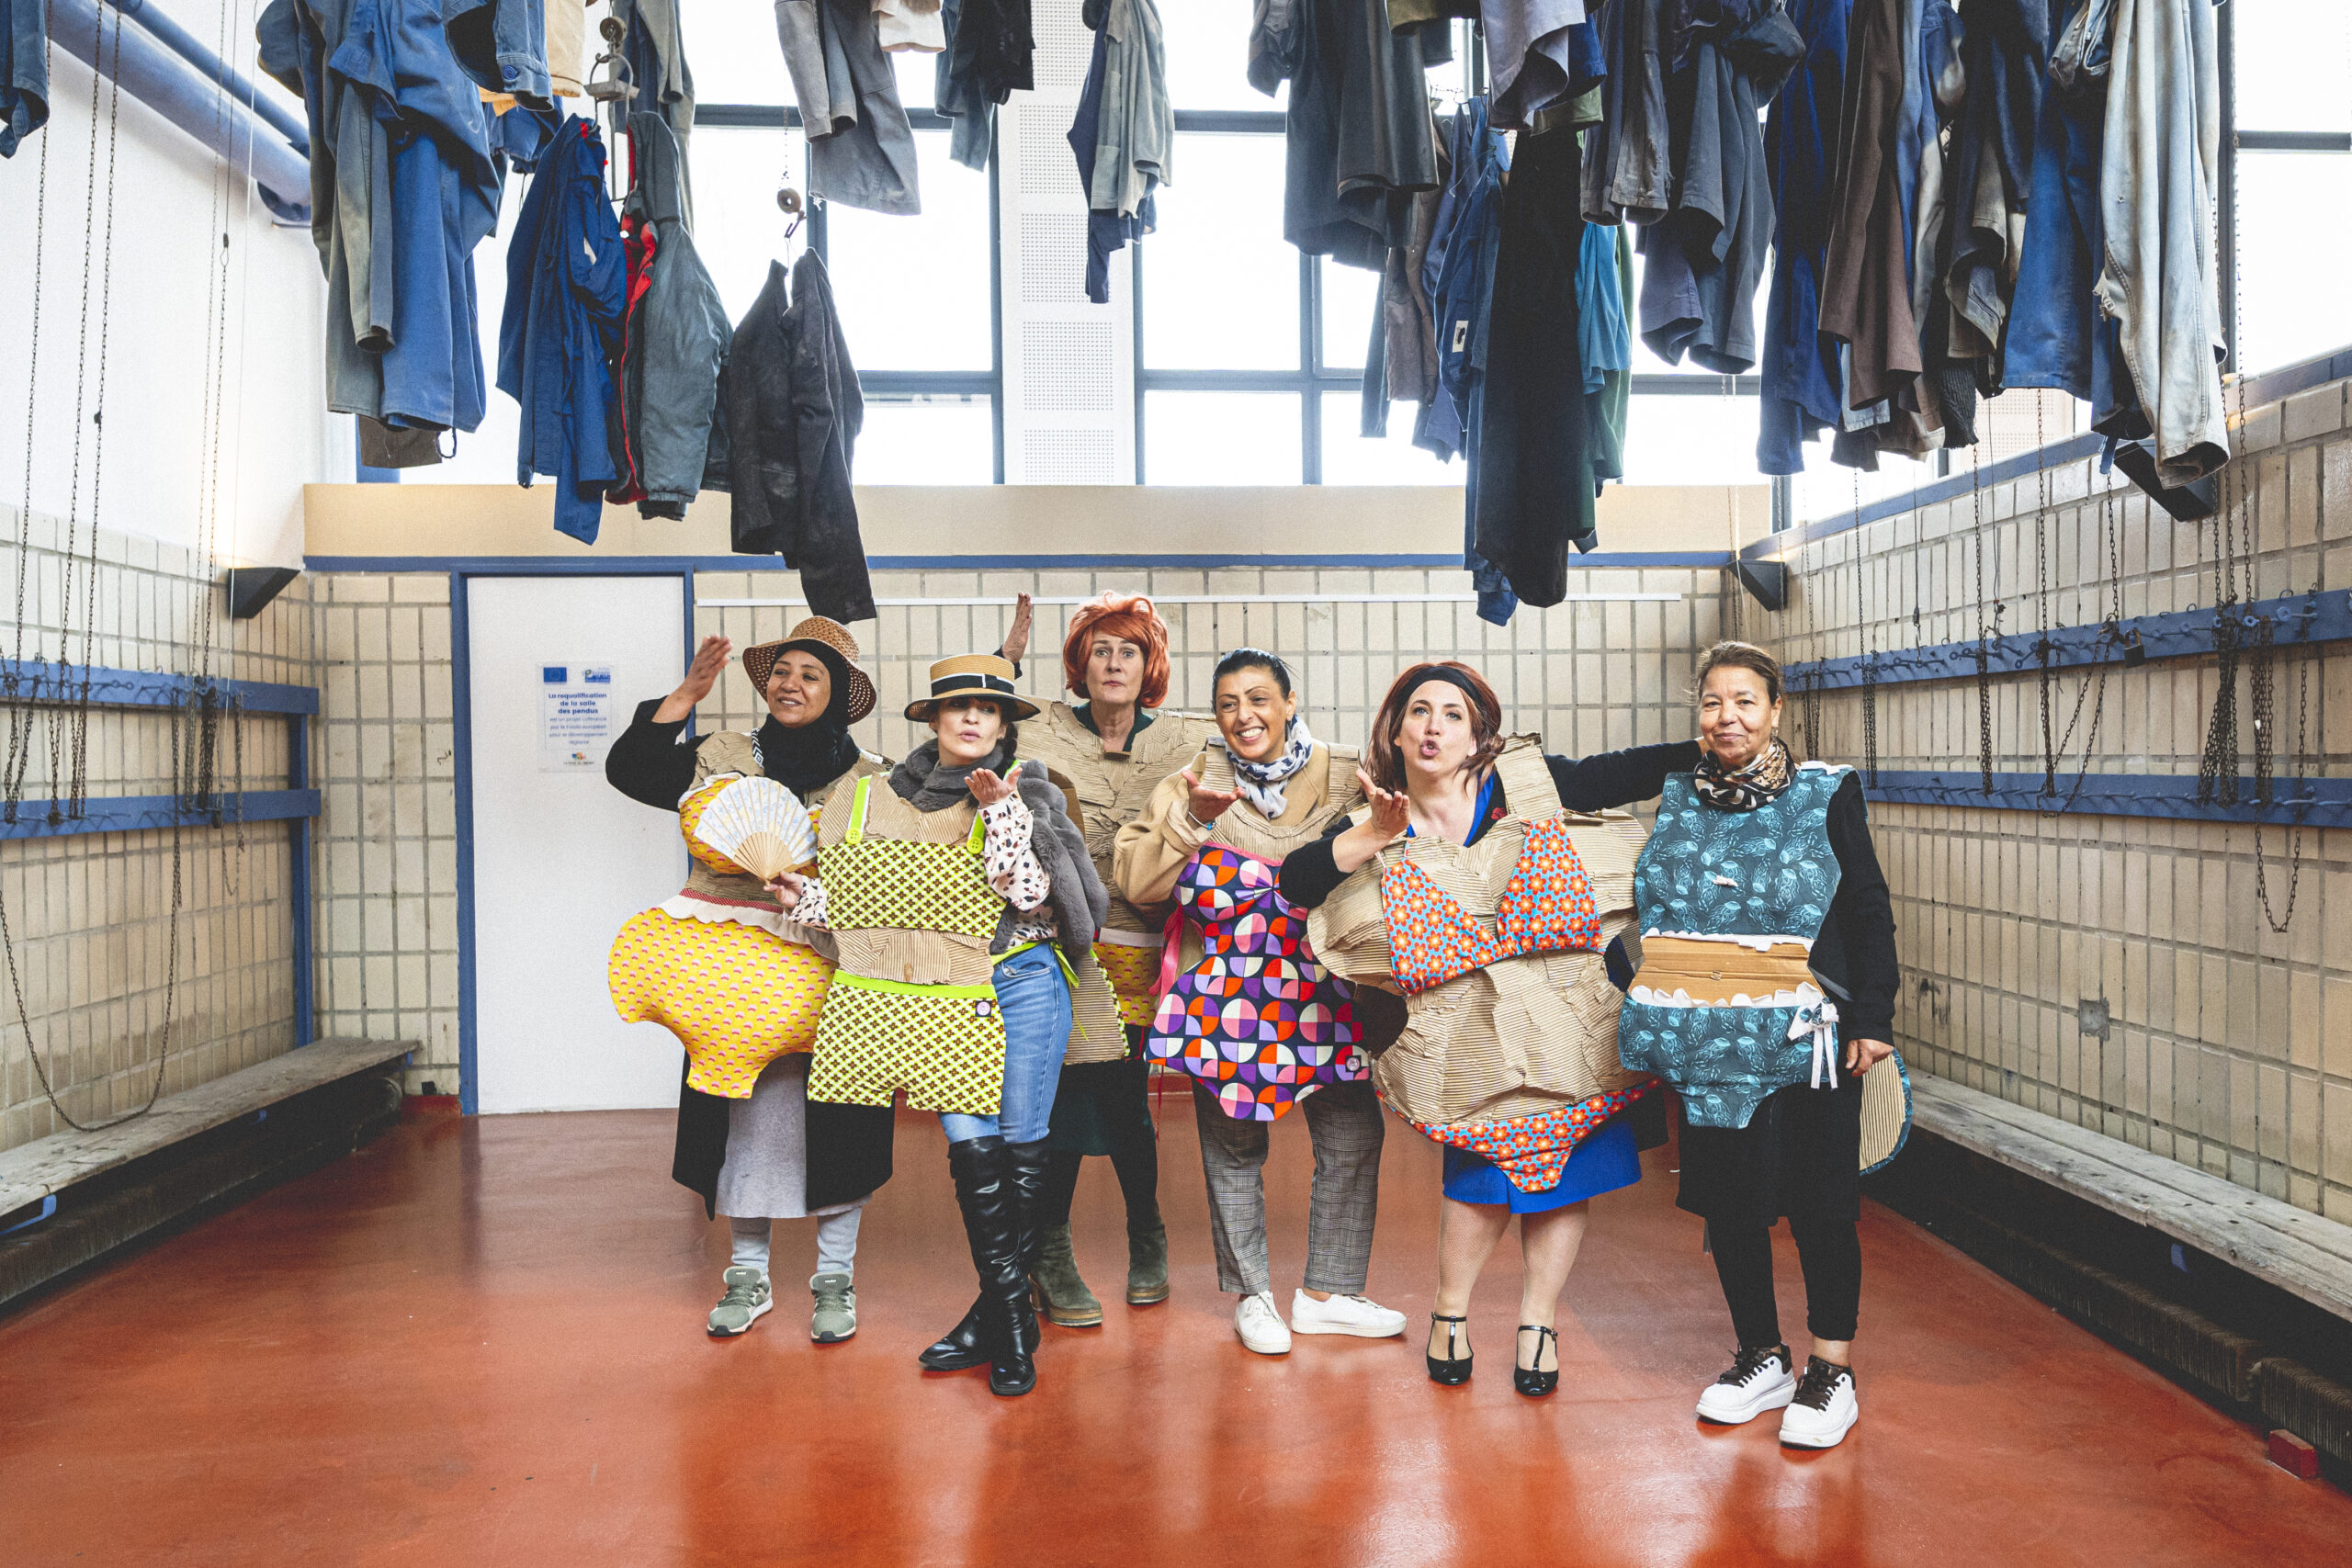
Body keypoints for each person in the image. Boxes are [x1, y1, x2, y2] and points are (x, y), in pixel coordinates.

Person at [1280, 662, 1700, 1395]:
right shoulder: (1373, 814)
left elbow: (1618, 772)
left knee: (1569, 1173)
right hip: (1465, 1044)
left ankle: (1539, 1320)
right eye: (1419, 711)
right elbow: (1297, 880)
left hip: (1572, 1026)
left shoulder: (1524, 785)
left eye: (1453, 714)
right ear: (1396, 731)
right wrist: (1374, 835)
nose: (1434, 726)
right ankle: (1451, 1310)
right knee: (1477, 1178)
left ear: (1479, 736)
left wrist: (1712, 744)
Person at [774, 653, 1107, 1398]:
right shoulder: (881, 799)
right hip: (938, 998)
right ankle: (1011, 1321)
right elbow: (881, 911)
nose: (973, 718)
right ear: (933, 718)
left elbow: (1031, 895)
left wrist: (1001, 813)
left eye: (988, 710)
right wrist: (806, 899)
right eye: (959, 706)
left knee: (1020, 1152)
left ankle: (998, 1320)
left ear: (1003, 724)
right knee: (972, 1151)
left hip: (1020, 984)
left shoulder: (1032, 791)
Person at [1614, 641, 1898, 1450]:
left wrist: (1873, 1017)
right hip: (1709, 1041)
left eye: (1744, 701)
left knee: (1820, 1204)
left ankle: (1831, 1368)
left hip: (1812, 1036)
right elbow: (1578, 786)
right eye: (1712, 701)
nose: (1727, 716)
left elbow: (1869, 908)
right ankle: (1761, 1355)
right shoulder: (1677, 792)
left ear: (1776, 710)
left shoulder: (1826, 793)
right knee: (1730, 1203)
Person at [604, 617, 894, 1344]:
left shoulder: (875, 778)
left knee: (844, 1122)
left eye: (810, 674)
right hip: (727, 978)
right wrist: (684, 695)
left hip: (835, 970)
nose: (790, 683)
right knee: (741, 1119)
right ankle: (748, 1275)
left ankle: (835, 1279)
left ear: (839, 694)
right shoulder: (721, 754)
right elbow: (630, 770)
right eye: (782, 671)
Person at [1112, 648, 1407, 1357]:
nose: (1243, 715)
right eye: (1227, 704)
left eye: (1258, 698)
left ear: (1289, 702)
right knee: (1233, 1150)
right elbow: (1137, 883)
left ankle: (1328, 1293)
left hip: (1330, 993)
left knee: (1353, 1135)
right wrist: (1189, 821)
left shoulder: (1346, 775)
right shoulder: (1193, 781)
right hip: (1226, 1004)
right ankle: (1253, 1295)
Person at [1012, 592, 1214, 1325]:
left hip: (1146, 950)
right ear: (1081, 662)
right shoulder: (1043, 727)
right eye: (1101, 649)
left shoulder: (1187, 740)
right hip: (1061, 947)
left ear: (1148, 664)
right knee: (1061, 1095)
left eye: (1129, 650)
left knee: (1128, 1102)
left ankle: (1147, 1234)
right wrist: (1006, 660)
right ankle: (1052, 1248)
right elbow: (980, 719)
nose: (1115, 662)